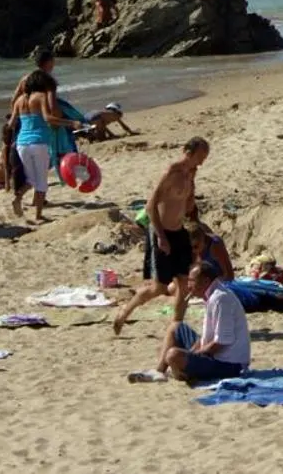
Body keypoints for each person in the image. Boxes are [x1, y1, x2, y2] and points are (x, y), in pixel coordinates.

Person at [114, 137, 210, 334]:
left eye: (205, 157)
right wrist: (161, 237)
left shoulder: (190, 175)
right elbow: (150, 207)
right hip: (161, 231)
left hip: (179, 231)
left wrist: (192, 184)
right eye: (200, 156)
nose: (202, 161)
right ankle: (125, 311)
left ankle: (176, 327)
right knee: (159, 287)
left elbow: (189, 206)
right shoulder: (171, 172)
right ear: (189, 152)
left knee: (184, 284)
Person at [133, 260, 250, 384]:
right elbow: (207, 336)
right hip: (215, 354)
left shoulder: (220, 299)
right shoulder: (211, 296)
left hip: (229, 365)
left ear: (205, 281)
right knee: (176, 327)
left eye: (192, 281)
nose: (189, 285)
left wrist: (195, 356)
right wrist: (191, 354)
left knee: (173, 355)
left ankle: (184, 373)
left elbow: (221, 342)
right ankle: (159, 372)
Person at [8, 69, 79, 223]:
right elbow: (48, 118)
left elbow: (11, 123)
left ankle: (17, 198)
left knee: (32, 179)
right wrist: (70, 122)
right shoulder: (40, 97)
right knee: (41, 181)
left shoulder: (19, 101)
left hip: (22, 144)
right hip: (39, 142)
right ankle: (38, 215)